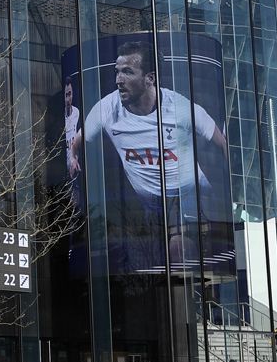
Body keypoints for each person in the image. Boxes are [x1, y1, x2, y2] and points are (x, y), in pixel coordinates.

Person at [69, 39, 228, 265]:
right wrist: (72, 158)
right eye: (117, 72)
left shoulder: (181, 108)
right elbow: (77, 142)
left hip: (191, 193)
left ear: (150, 78)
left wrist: (229, 187)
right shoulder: (106, 109)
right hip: (148, 203)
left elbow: (222, 143)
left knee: (180, 255)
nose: (118, 80)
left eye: (127, 72)